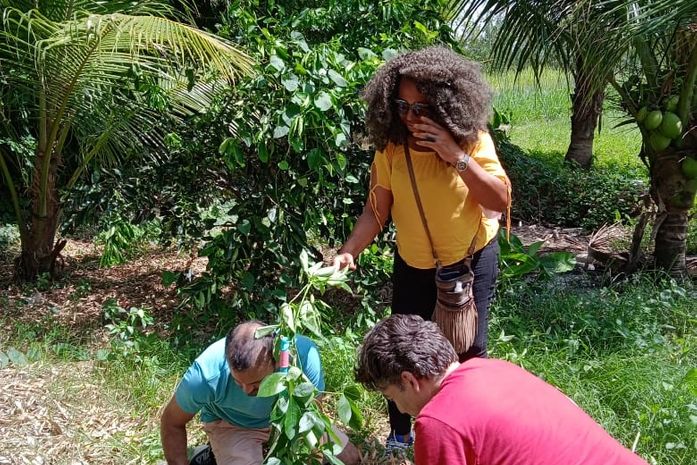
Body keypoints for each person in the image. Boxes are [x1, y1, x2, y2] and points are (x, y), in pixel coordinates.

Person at [333, 45, 510, 451]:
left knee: (467, 351)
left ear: (447, 105)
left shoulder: (472, 139)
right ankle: (401, 436)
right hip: (413, 264)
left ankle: (468, 435)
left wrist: (455, 155)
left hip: (468, 262)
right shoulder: (391, 148)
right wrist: (349, 251)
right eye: (402, 105)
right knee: (401, 353)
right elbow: (376, 212)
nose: (411, 117)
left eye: (422, 107)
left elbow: (499, 200)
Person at [355, 314, 650, 465]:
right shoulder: (495, 369)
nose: (400, 409)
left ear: (409, 380)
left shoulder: (438, 422)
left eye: (392, 397)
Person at [160, 321, 360, 465]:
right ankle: (211, 453)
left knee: (349, 459)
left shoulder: (303, 356)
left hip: (290, 419)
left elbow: (313, 411)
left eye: (256, 384)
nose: (247, 391)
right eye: (238, 382)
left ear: (276, 361)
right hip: (234, 425)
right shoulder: (205, 374)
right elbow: (172, 422)